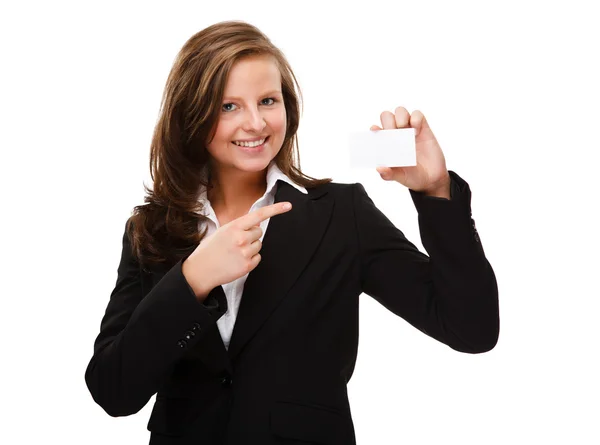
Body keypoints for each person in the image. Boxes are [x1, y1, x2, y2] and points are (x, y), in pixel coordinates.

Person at [85, 20, 499, 445]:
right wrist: (192, 280)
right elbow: (112, 390)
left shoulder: (341, 214)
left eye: (268, 100)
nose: (255, 123)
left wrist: (436, 192)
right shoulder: (152, 228)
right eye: (229, 106)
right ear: (191, 114)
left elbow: (472, 329)